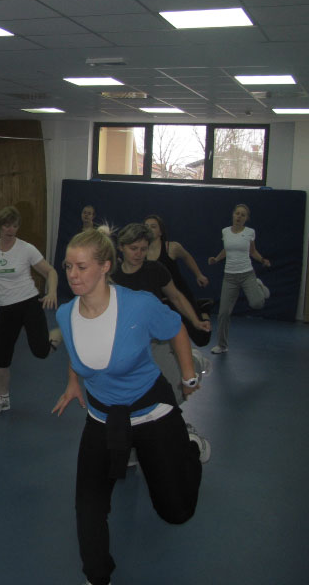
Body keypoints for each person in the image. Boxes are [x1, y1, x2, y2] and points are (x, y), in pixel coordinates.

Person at [52, 228, 203, 585]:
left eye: (82, 267)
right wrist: (73, 383)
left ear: (105, 266)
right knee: (89, 506)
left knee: (175, 511)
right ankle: (97, 576)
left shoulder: (139, 305)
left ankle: (192, 450)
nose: (72, 274)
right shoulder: (66, 314)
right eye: (68, 266)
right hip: (102, 416)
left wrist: (188, 377)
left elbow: (176, 329)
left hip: (152, 412)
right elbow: (76, 351)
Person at [111, 223, 212, 460]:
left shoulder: (155, 270)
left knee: (172, 391)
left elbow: (176, 297)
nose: (139, 254)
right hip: (128, 348)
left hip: (157, 341)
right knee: (129, 398)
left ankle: (180, 426)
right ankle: (133, 447)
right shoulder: (112, 276)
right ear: (121, 247)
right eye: (134, 249)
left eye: (143, 249)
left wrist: (195, 321)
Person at [0, 205, 60, 414]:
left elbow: (50, 271)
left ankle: (60, 333)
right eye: (6, 225)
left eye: (14, 226)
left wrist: (52, 292)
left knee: (41, 351)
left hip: (29, 304)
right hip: (7, 309)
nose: (10, 230)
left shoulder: (27, 249)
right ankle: (3, 399)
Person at [207, 203, 271, 354]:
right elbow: (226, 250)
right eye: (237, 214)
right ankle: (222, 345)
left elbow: (252, 251)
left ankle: (259, 286)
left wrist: (262, 260)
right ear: (233, 215)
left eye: (243, 215)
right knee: (223, 313)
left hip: (247, 274)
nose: (239, 217)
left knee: (257, 303)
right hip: (229, 277)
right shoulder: (225, 231)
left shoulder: (249, 232)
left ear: (246, 218)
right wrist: (216, 259)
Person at [145, 214, 214, 338]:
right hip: (160, 299)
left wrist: (199, 275)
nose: (149, 229)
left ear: (160, 232)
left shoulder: (172, 247)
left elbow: (187, 257)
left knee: (201, 337)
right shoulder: (141, 252)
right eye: (146, 226)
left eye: (153, 226)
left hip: (179, 293)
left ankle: (203, 309)